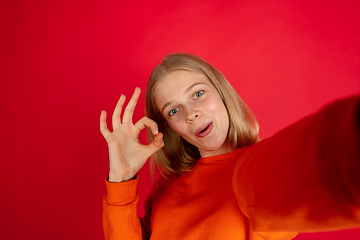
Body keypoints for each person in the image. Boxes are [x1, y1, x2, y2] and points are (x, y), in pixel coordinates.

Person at [100, 53, 360, 240]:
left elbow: (329, 159)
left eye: (198, 94)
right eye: (174, 110)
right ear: (169, 128)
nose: (191, 113)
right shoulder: (166, 187)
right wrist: (120, 179)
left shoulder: (258, 168)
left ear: (221, 91)